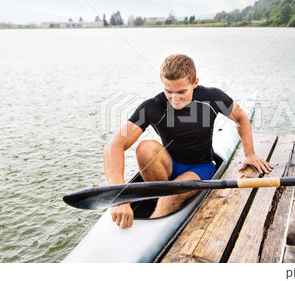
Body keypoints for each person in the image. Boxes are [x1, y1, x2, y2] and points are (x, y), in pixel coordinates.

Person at [103, 54, 272, 229]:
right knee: (144, 148)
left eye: (182, 92)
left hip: (201, 167)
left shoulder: (212, 97)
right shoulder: (153, 106)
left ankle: (164, 206)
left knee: (171, 198)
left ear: (195, 82)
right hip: (170, 166)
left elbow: (241, 117)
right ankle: (162, 197)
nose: (175, 99)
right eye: (169, 91)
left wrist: (250, 154)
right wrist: (118, 196)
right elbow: (114, 146)